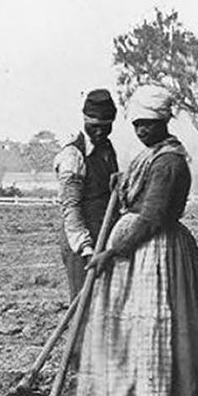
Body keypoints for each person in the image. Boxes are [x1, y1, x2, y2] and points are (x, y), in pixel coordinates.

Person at [77, 85, 198, 396]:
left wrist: (112, 251)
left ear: (163, 121)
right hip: (142, 249)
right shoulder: (152, 156)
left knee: (162, 329)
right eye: (136, 124)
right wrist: (123, 184)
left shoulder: (168, 162)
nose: (141, 131)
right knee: (144, 332)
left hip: (157, 250)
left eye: (148, 124)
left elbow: (151, 217)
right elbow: (140, 198)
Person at [54, 89, 119, 299]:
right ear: (85, 121)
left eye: (106, 127)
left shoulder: (107, 149)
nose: (100, 132)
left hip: (106, 239)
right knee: (84, 303)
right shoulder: (72, 156)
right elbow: (71, 209)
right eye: (95, 127)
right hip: (82, 243)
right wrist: (86, 248)